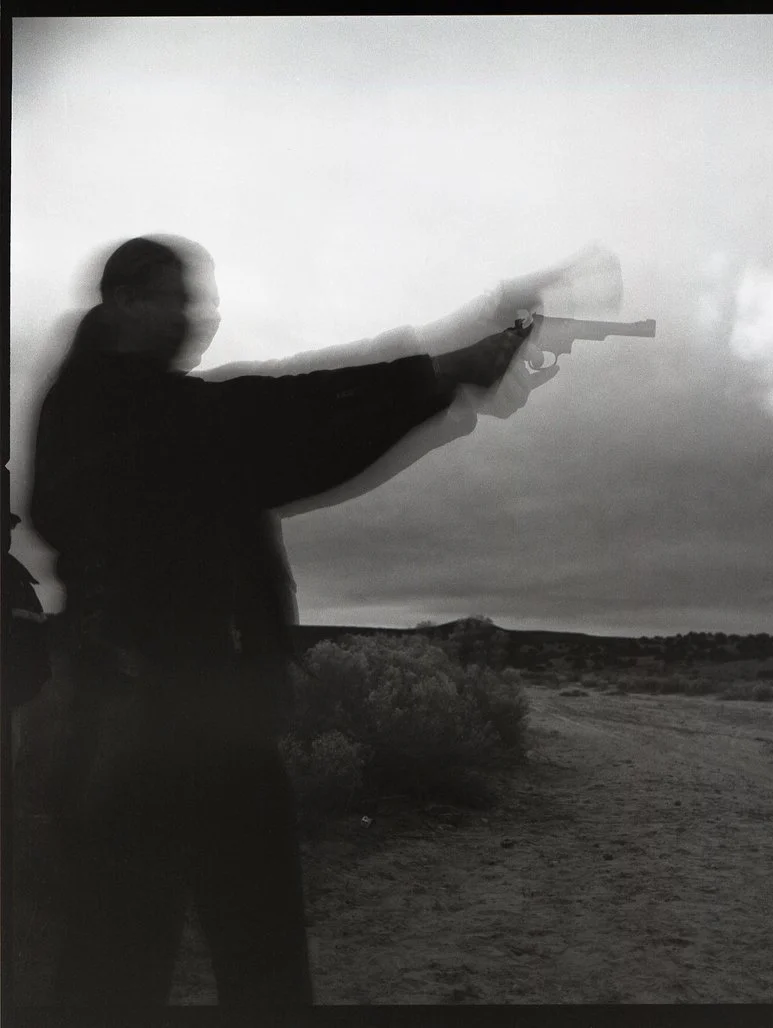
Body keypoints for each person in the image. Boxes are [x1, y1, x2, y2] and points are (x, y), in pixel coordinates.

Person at [28, 234, 588, 1012]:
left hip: (179, 721)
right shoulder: (119, 410)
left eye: (208, 302)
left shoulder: (123, 406)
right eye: (180, 298)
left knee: (168, 966)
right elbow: (280, 420)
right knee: (149, 974)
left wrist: (449, 364)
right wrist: (440, 372)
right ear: (123, 301)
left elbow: (274, 423)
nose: (203, 318)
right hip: (151, 725)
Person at [3, 468, 51, 769]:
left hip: (14, 686)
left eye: (6, 529)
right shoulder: (14, 575)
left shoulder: (15, 575)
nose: (6, 536)